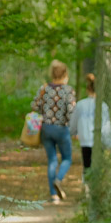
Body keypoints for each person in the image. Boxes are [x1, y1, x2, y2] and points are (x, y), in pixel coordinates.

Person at [32, 60, 76, 202]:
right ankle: (58, 179)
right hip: (61, 129)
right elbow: (71, 112)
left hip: (45, 128)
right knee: (67, 158)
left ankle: (53, 195)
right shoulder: (68, 90)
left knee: (52, 160)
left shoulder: (44, 89)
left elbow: (34, 105)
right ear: (65, 74)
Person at [68, 73, 111, 171]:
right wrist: (109, 143)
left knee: (87, 167)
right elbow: (106, 127)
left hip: (85, 141)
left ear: (87, 89)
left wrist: (72, 133)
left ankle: (87, 185)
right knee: (97, 168)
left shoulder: (80, 105)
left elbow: (73, 124)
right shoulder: (103, 105)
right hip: (98, 142)